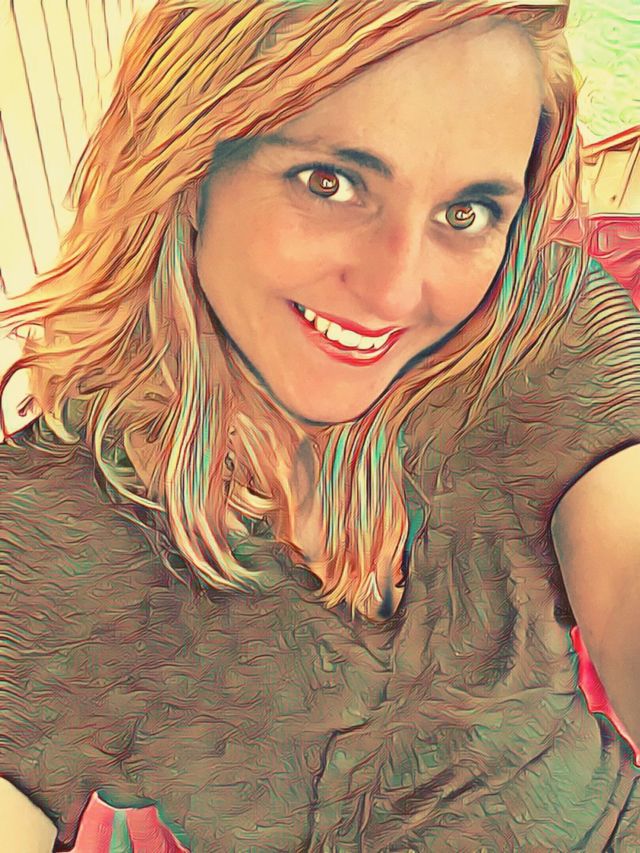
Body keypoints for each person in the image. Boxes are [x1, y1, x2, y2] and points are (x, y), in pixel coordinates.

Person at [1, 0, 640, 850]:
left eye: (465, 213)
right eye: (329, 183)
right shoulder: (60, 519)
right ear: (187, 170)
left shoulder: (535, 328)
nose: (395, 291)